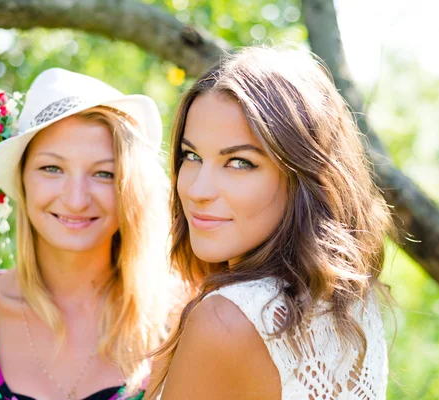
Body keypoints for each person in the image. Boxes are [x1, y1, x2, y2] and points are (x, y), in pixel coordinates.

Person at [146, 46, 395, 400]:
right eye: (192, 156)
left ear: (303, 174)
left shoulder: (226, 319)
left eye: (240, 162)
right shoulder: (349, 301)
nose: (198, 190)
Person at [0, 68, 172, 400]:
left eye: (104, 173)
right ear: (21, 180)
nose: (76, 199)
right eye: (52, 168)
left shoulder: (176, 319)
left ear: (130, 188)